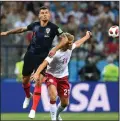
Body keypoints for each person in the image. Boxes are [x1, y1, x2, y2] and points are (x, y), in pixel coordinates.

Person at [0, 6, 69, 118]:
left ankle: (33, 110)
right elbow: (21, 29)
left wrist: (55, 49)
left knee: (39, 80)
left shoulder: (54, 27)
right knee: (25, 80)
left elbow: (65, 39)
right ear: (39, 15)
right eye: (42, 13)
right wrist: (7, 32)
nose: (45, 14)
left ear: (49, 15)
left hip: (43, 58)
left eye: (47, 12)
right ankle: (28, 96)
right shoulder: (34, 25)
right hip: (30, 54)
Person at [31, 31, 92, 120]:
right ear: (64, 43)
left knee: (65, 103)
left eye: (71, 42)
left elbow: (78, 43)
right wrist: (36, 73)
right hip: (51, 75)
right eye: (69, 43)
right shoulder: (54, 52)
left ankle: (57, 114)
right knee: (53, 95)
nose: (71, 44)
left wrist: (87, 36)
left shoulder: (70, 48)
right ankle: (53, 119)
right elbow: (44, 63)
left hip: (63, 77)